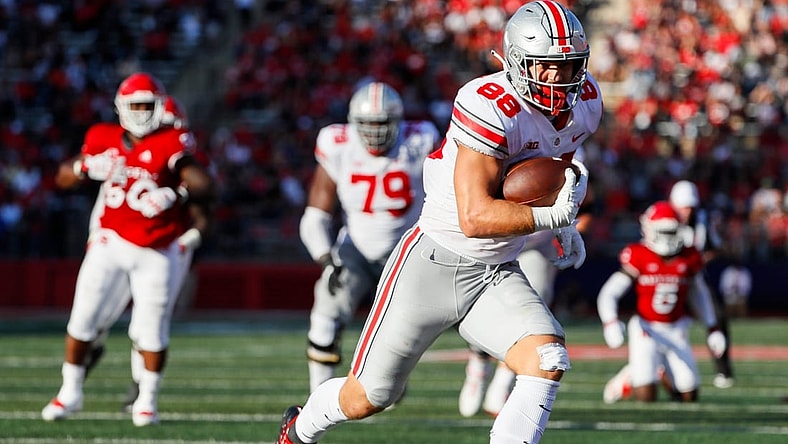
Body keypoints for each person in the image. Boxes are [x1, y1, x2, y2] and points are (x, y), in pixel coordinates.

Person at [276, 2, 599, 443]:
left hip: (495, 271)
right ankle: (298, 430)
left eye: (569, 66)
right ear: (518, 62)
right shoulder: (488, 103)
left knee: (547, 358)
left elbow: (554, 162)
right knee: (367, 397)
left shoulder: (586, 102)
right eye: (548, 67)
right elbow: (475, 217)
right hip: (434, 261)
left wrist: (559, 225)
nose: (561, 80)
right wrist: (551, 217)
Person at [42, 72, 215, 426]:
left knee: (149, 328)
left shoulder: (171, 142)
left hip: (158, 246)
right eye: (133, 105)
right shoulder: (101, 137)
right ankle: (70, 392)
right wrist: (84, 167)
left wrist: (174, 193)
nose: (140, 112)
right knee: (84, 318)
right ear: (120, 107)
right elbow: (61, 178)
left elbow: (204, 188)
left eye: (146, 105)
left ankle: (146, 399)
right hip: (111, 239)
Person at [299, 81, 439, 393]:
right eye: (368, 124)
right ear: (352, 123)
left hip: (407, 247)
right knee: (325, 313)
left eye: (382, 123)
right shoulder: (337, 145)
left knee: (408, 327)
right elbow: (315, 217)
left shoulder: (421, 139)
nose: (375, 132)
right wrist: (325, 258)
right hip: (355, 248)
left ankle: (395, 382)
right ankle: (318, 395)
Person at [76, 95, 205, 413]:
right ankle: (86, 364)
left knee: (147, 324)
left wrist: (190, 236)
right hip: (117, 242)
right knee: (99, 315)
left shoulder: (180, 157)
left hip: (162, 247)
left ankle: (140, 390)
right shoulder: (128, 148)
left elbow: (204, 202)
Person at [459, 148, 595, 418]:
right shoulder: (504, 129)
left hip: (537, 240)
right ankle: (477, 364)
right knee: (483, 308)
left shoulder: (574, 145)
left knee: (532, 312)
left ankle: (502, 383)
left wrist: (569, 227)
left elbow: (586, 205)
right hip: (497, 234)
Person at [597, 201, 726, 403]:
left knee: (689, 397)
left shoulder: (689, 256)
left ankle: (658, 370)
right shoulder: (639, 254)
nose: (667, 237)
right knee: (646, 398)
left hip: (677, 328)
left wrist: (713, 327)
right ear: (649, 230)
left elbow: (699, 294)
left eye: (671, 232)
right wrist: (610, 321)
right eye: (663, 232)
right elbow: (610, 292)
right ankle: (630, 376)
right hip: (646, 329)